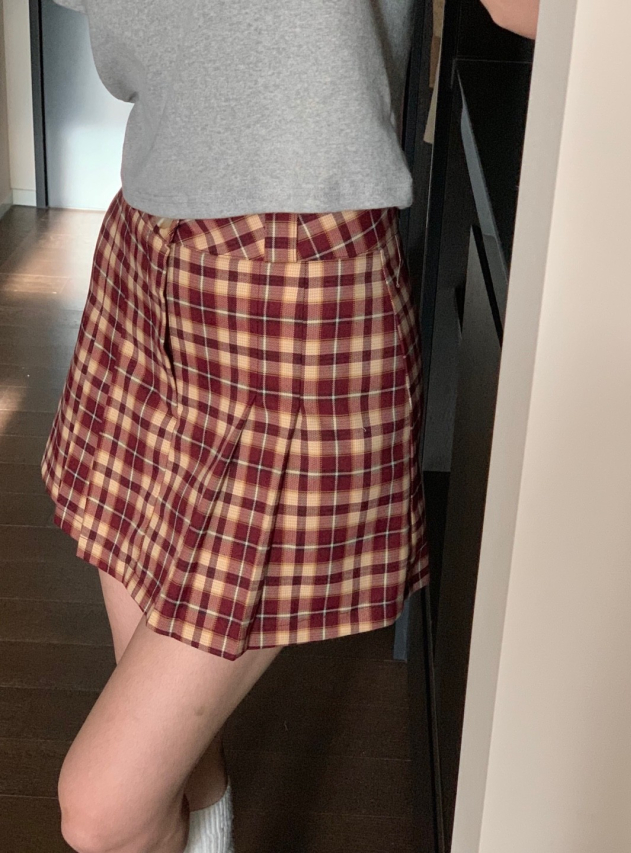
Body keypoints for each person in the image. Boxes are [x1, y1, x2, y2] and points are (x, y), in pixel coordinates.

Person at [44, 2, 430, 852]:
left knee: (103, 808)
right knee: (164, 733)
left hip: (296, 278)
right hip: (147, 240)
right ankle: (208, 814)